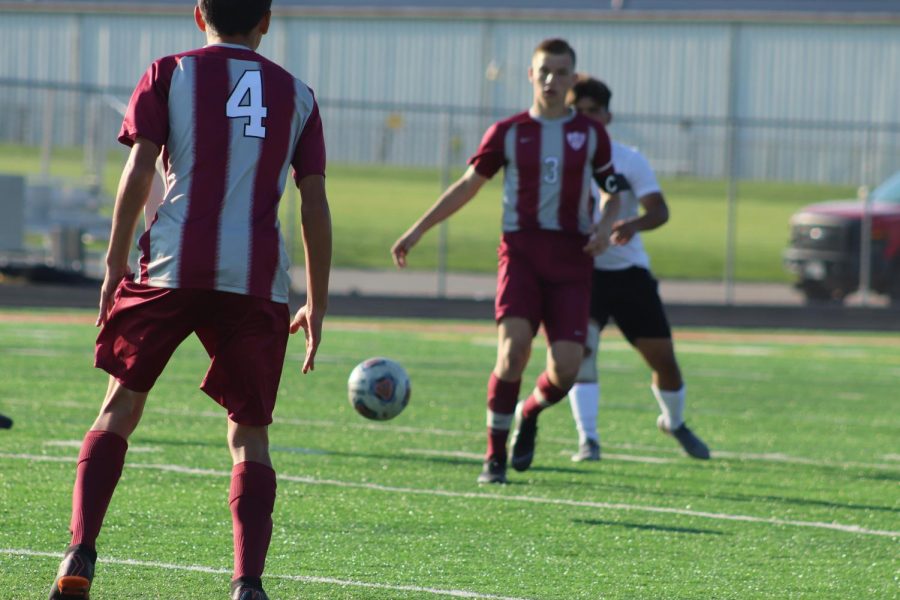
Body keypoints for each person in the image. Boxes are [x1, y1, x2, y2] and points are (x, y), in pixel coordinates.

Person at [47, 2, 332, 599]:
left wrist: (114, 262)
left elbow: (139, 171)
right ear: (267, 20)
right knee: (249, 433)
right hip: (254, 278)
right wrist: (319, 300)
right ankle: (247, 583)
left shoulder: (168, 71)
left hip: (172, 265)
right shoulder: (298, 94)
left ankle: (79, 551)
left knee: (119, 407)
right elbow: (313, 203)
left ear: (198, 12)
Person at [392, 39, 625, 485]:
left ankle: (530, 412)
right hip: (522, 253)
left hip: (572, 259)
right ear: (531, 76)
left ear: (573, 79)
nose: (552, 80)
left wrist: (603, 225)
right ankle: (494, 458)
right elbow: (467, 185)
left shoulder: (592, 134)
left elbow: (613, 190)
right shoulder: (509, 131)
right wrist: (418, 229)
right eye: (545, 71)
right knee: (514, 350)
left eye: (561, 73)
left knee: (567, 368)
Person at [565, 77, 709, 462]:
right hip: (582, 273)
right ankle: (588, 438)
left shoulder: (628, 159)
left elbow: (659, 210)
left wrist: (632, 225)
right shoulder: (559, 158)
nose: (586, 119)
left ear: (607, 115)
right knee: (582, 352)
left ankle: (674, 422)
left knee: (664, 360)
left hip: (628, 274)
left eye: (593, 111)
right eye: (577, 111)